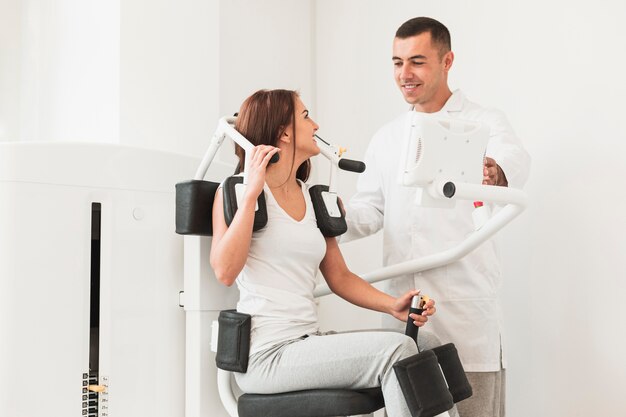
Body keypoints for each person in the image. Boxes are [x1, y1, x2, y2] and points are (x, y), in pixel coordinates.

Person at [209, 89, 443, 417]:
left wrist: (392, 306)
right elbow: (224, 271)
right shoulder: (235, 191)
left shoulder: (313, 198)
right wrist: (251, 195)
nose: (316, 124)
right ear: (284, 132)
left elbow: (340, 277)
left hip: (307, 343)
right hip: (266, 355)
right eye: (306, 116)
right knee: (398, 350)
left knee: (427, 345)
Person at [342, 17, 531, 417]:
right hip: (402, 310)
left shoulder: (485, 122)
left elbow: (512, 162)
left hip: (464, 310)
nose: (404, 75)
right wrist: (324, 217)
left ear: (447, 61)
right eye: (396, 63)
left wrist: (493, 171)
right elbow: (370, 210)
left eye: (417, 62)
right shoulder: (387, 137)